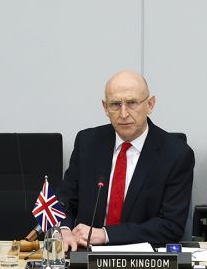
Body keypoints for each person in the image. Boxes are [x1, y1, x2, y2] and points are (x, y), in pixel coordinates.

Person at [57, 70, 194, 252]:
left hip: (143, 261)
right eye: (115, 104)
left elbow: (171, 226)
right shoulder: (87, 142)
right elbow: (64, 200)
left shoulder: (176, 154)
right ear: (105, 108)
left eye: (132, 103)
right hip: (85, 257)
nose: (123, 113)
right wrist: (63, 229)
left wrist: (106, 234)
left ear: (150, 104)